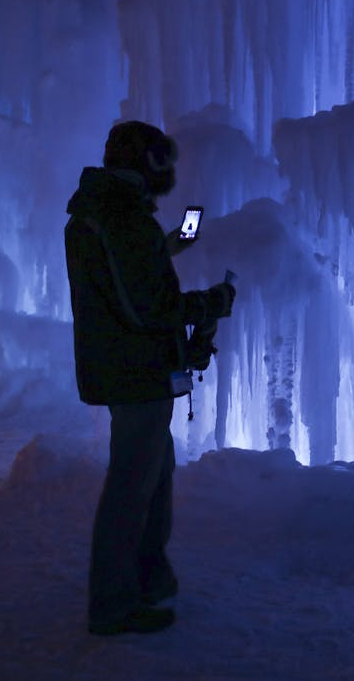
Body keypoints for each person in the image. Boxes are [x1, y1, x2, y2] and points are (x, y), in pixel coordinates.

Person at [64, 120, 235, 636]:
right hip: (136, 372)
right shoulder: (119, 217)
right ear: (141, 162)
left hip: (135, 371)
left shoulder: (110, 212)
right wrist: (212, 302)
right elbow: (148, 305)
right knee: (131, 488)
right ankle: (114, 604)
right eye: (160, 161)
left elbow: (136, 269)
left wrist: (179, 240)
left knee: (153, 479)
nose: (167, 172)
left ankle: (148, 578)